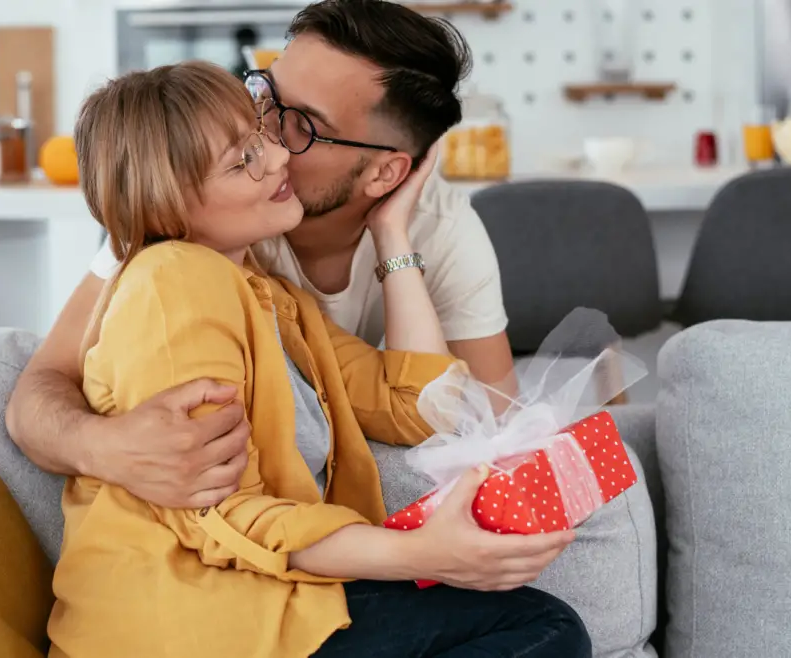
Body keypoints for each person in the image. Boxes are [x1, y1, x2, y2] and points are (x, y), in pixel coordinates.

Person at [47, 59, 588, 658]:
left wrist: (391, 231)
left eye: (260, 136)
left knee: (543, 626)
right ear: (166, 204)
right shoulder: (171, 284)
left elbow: (420, 408)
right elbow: (218, 514)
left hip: (260, 606)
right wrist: (418, 554)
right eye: (243, 161)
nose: (280, 157)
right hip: (184, 625)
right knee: (545, 631)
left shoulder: (271, 298)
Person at [8, 0, 520, 516]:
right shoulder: (203, 209)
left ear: (385, 174)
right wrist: (110, 449)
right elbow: (41, 388)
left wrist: (392, 237)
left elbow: (485, 430)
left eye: (302, 123)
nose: (265, 132)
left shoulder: (439, 228)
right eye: (266, 92)